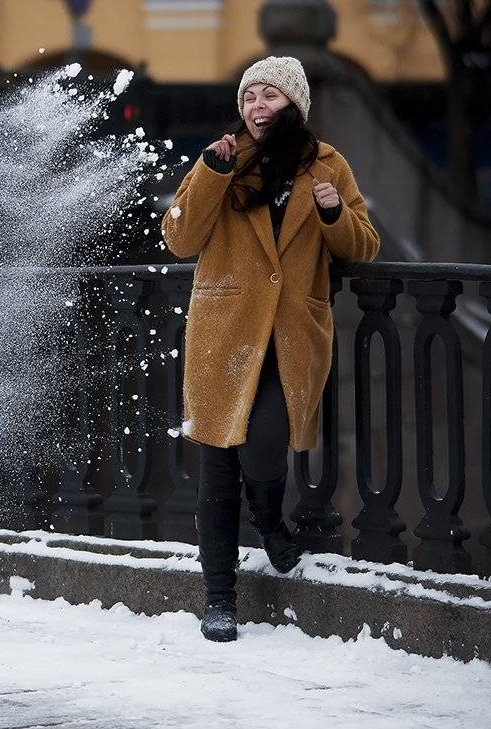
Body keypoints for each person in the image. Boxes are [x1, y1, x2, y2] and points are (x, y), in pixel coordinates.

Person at [161, 56, 379, 643]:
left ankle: (265, 517)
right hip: (223, 333)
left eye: (271, 96)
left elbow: (363, 246)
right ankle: (219, 598)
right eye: (250, 96)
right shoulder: (223, 157)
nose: (258, 107)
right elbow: (179, 235)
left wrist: (332, 213)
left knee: (262, 453)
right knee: (217, 468)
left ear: (296, 105)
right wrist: (209, 172)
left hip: (289, 337)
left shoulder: (329, 166)